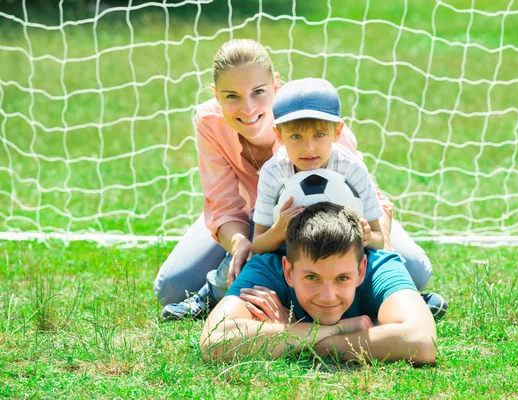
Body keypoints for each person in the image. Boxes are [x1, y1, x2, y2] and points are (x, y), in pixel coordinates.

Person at [155, 38, 433, 317]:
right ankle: (211, 295)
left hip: (338, 216)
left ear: (276, 85)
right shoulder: (211, 123)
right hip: (257, 218)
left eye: (259, 92)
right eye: (232, 96)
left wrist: (377, 240)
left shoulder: (320, 125)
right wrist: (241, 243)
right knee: (171, 288)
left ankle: (395, 297)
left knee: (415, 270)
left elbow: (375, 200)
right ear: (217, 96)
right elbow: (224, 206)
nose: (248, 108)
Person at [200, 202, 437, 364]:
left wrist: (292, 338)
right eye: (312, 278)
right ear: (288, 271)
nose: (328, 296)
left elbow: (422, 342)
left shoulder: (377, 266)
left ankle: (411, 298)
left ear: (361, 269)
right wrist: (335, 329)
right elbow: (214, 342)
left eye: (342, 279)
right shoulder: (266, 270)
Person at [251, 77, 385, 256]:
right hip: (288, 257)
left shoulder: (352, 169)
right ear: (279, 135)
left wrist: (367, 236)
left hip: (344, 259)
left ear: (337, 132)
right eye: (296, 137)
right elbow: (258, 245)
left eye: (319, 134)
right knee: (254, 270)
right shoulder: (273, 172)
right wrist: (278, 231)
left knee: (395, 265)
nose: (308, 148)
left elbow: (379, 239)